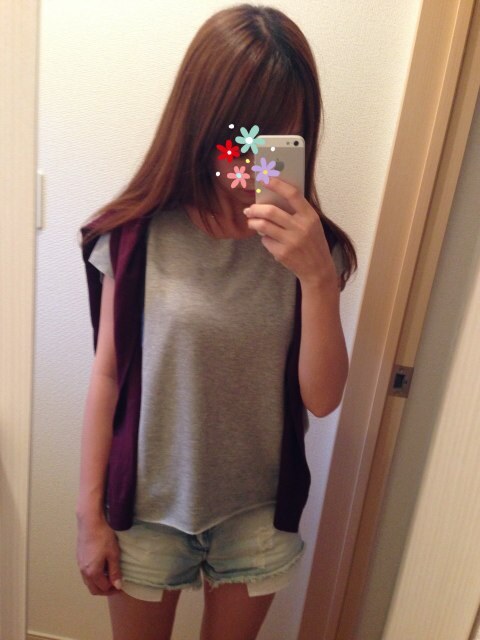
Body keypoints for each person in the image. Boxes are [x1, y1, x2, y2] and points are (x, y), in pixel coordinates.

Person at [76, 4, 357, 640]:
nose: (251, 157)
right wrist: (87, 515)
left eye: (276, 137)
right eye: (241, 134)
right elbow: (107, 376)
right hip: (146, 511)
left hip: (257, 516)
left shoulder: (312, 249)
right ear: (202, 123)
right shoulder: (135, 238)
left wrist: (318, 278)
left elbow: (321, 399)